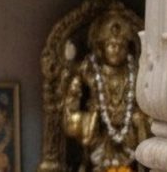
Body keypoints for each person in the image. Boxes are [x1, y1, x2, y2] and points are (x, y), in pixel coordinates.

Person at [63, 10, 151, 171]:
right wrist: (91, 116)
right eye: (112, 45)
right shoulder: (90, 70)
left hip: (129, 135)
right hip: (100, 135)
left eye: (121, 45)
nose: (116, 50)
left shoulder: (135, 71)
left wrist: (140, 119)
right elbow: (71, 107)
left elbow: (149, 104)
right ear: (102, 47)